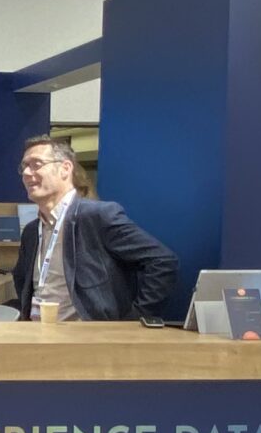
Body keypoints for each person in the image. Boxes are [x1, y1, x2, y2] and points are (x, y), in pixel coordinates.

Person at [10, 137, 178, 321]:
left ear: (65, 168)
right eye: (24, 166)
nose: (26, 172)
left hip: (85, 335)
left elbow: (162, 261)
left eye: (36, 164)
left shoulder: (96, 216)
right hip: (37, 332)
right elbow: (22, 281)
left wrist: (136, 319)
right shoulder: (32, 231)